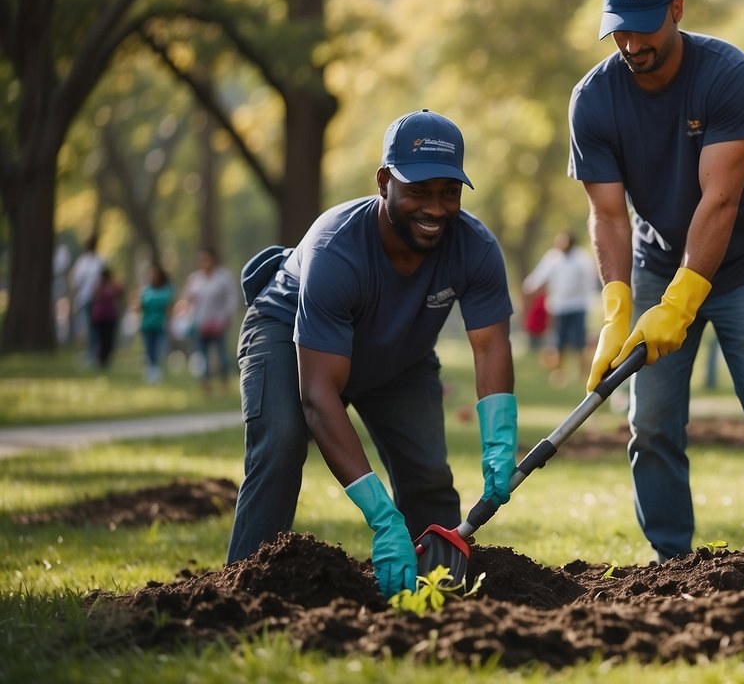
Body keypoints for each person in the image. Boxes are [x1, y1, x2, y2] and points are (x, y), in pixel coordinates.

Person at [569, 0, 744, 561]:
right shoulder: (594, 100)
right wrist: (618, 308)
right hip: (656, 263)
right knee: (650, 424)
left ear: (676, 11)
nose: (631, 43)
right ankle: (669, 562)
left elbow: (721, 199)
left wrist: (681, 302)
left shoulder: (728, 75)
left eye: (644, 26)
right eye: (618, 29)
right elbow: (607, 215)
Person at [226, 109, 518, 600]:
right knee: (280, 444)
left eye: (449, 192)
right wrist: (383, 519)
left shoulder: (475, 247)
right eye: (419, 191)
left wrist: (499, 441)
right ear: (385, 181)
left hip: (398, 353)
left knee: (427, 474)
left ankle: (437, 592)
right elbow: (319, 394)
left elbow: (490, 346)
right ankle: (242, 596)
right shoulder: (337, 247)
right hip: (288, 334)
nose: (436, 208)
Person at [521, 230, 598, 387]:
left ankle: (582, 373)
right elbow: (540, 274)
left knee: (579, 342)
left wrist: (590, 300)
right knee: (558, 342)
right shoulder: (553, 257)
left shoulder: (582, 259)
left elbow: (589, 281)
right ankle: (559, 374)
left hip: (578, 305)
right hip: (559, 306)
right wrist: (529, 286)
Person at [178, 248, 240, 394]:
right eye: (200, 260)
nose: (203, 263)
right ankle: (205, 385)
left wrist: (228, 317)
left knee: (222, 355)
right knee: (202, 356)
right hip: (200, 323)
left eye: (206, 259)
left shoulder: (224, 277)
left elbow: (231, 299)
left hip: (219, 323)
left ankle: (225, 382)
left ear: (213, 260)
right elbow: (187, 299)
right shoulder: (195, 279)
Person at [68, 233, 105, 365]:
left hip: (89, 299)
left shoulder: (83, 262)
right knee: (91, 328)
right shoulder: (99, 261)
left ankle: (92, 354)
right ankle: (92, 353)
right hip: (92, 299)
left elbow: (76, 281)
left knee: (90, 328)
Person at [138, 262, 174, 383]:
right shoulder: (145, 290)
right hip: (147, 325)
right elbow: (140, 307)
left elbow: (169, 308)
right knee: (149, 349)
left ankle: (156, 370)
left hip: (160, 325)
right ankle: (151, 371)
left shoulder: (167, 290)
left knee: (158, 349)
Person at [88, 266, 124, 368]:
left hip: (110, 316)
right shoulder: (98, 286)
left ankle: (105, 360)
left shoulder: (113, 286)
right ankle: (99, 359)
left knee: (109, 340)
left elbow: (120, 295)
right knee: (100, 339)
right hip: (99, 317)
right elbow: (94, 297)